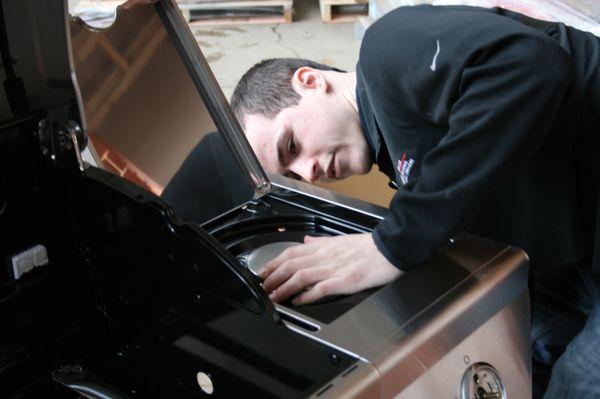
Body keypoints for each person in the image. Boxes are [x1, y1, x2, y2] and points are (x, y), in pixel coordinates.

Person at [230, 5, 599, 398]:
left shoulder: (388, 50)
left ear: (310, 81)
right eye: (293, 175)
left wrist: (391, 244)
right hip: (580, 256)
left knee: (573, 386)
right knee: (514, 352)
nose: (309, 172)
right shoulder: (401, 158)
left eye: (292, 145)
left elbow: (532, 67)